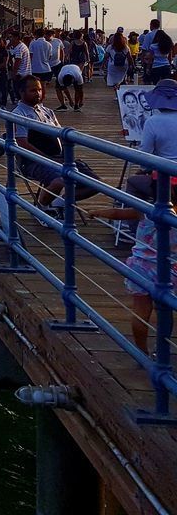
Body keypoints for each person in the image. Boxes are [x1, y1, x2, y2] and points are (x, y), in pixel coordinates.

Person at [85, 79, 177, 352]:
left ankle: (142, 352)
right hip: (171, 260)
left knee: (135, 187)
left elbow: (144, 158)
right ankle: (163, 352)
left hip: (160, 186)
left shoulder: (153, 122)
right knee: (166, 307)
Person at [11, 74, 65, 207]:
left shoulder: (47, 111)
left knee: (92, 182)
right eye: (33, 90)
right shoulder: (18, 115)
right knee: (62, 179)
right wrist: (47, 159)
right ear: (22, 92)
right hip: (34, 161)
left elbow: (61, 134)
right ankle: (43, 208)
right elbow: (22, 144)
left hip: (58, 157)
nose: (38, 93)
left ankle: (58, 204)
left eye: (39, 90)